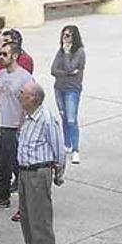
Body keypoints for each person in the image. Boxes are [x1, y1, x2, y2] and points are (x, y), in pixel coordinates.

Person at [16, 81, 67, 244]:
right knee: (27, 217)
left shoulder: (46, 119)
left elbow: (59, 148)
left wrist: (59, 172)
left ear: (33, 98)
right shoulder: (28, 116)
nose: (18, 96)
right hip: (25, 171)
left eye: (22, 93)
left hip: (38, 173)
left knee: (40, 219)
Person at [0, 42, 35, 209]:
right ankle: (4, 195)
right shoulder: (1, 74)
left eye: (4, 54)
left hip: (14, 125)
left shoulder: (25, 77)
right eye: (0, 53)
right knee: (2, 162)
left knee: (12, 163)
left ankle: (14, 197)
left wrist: (22, 124)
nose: (1, 57)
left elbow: (31, 102)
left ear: (15, 56)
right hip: (0, 124)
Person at [51, 25, 86, 164]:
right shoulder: (60, 51)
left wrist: (66, 55)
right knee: (63, 116)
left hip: (72, 89)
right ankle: (67, 143)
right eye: (64, 35)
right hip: (59, 88)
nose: (65, 38)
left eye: (68, 35)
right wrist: (67, 73)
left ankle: (75, 149)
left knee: (71, 119)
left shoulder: (79, 52)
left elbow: (71, 66)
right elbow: (53, 70)